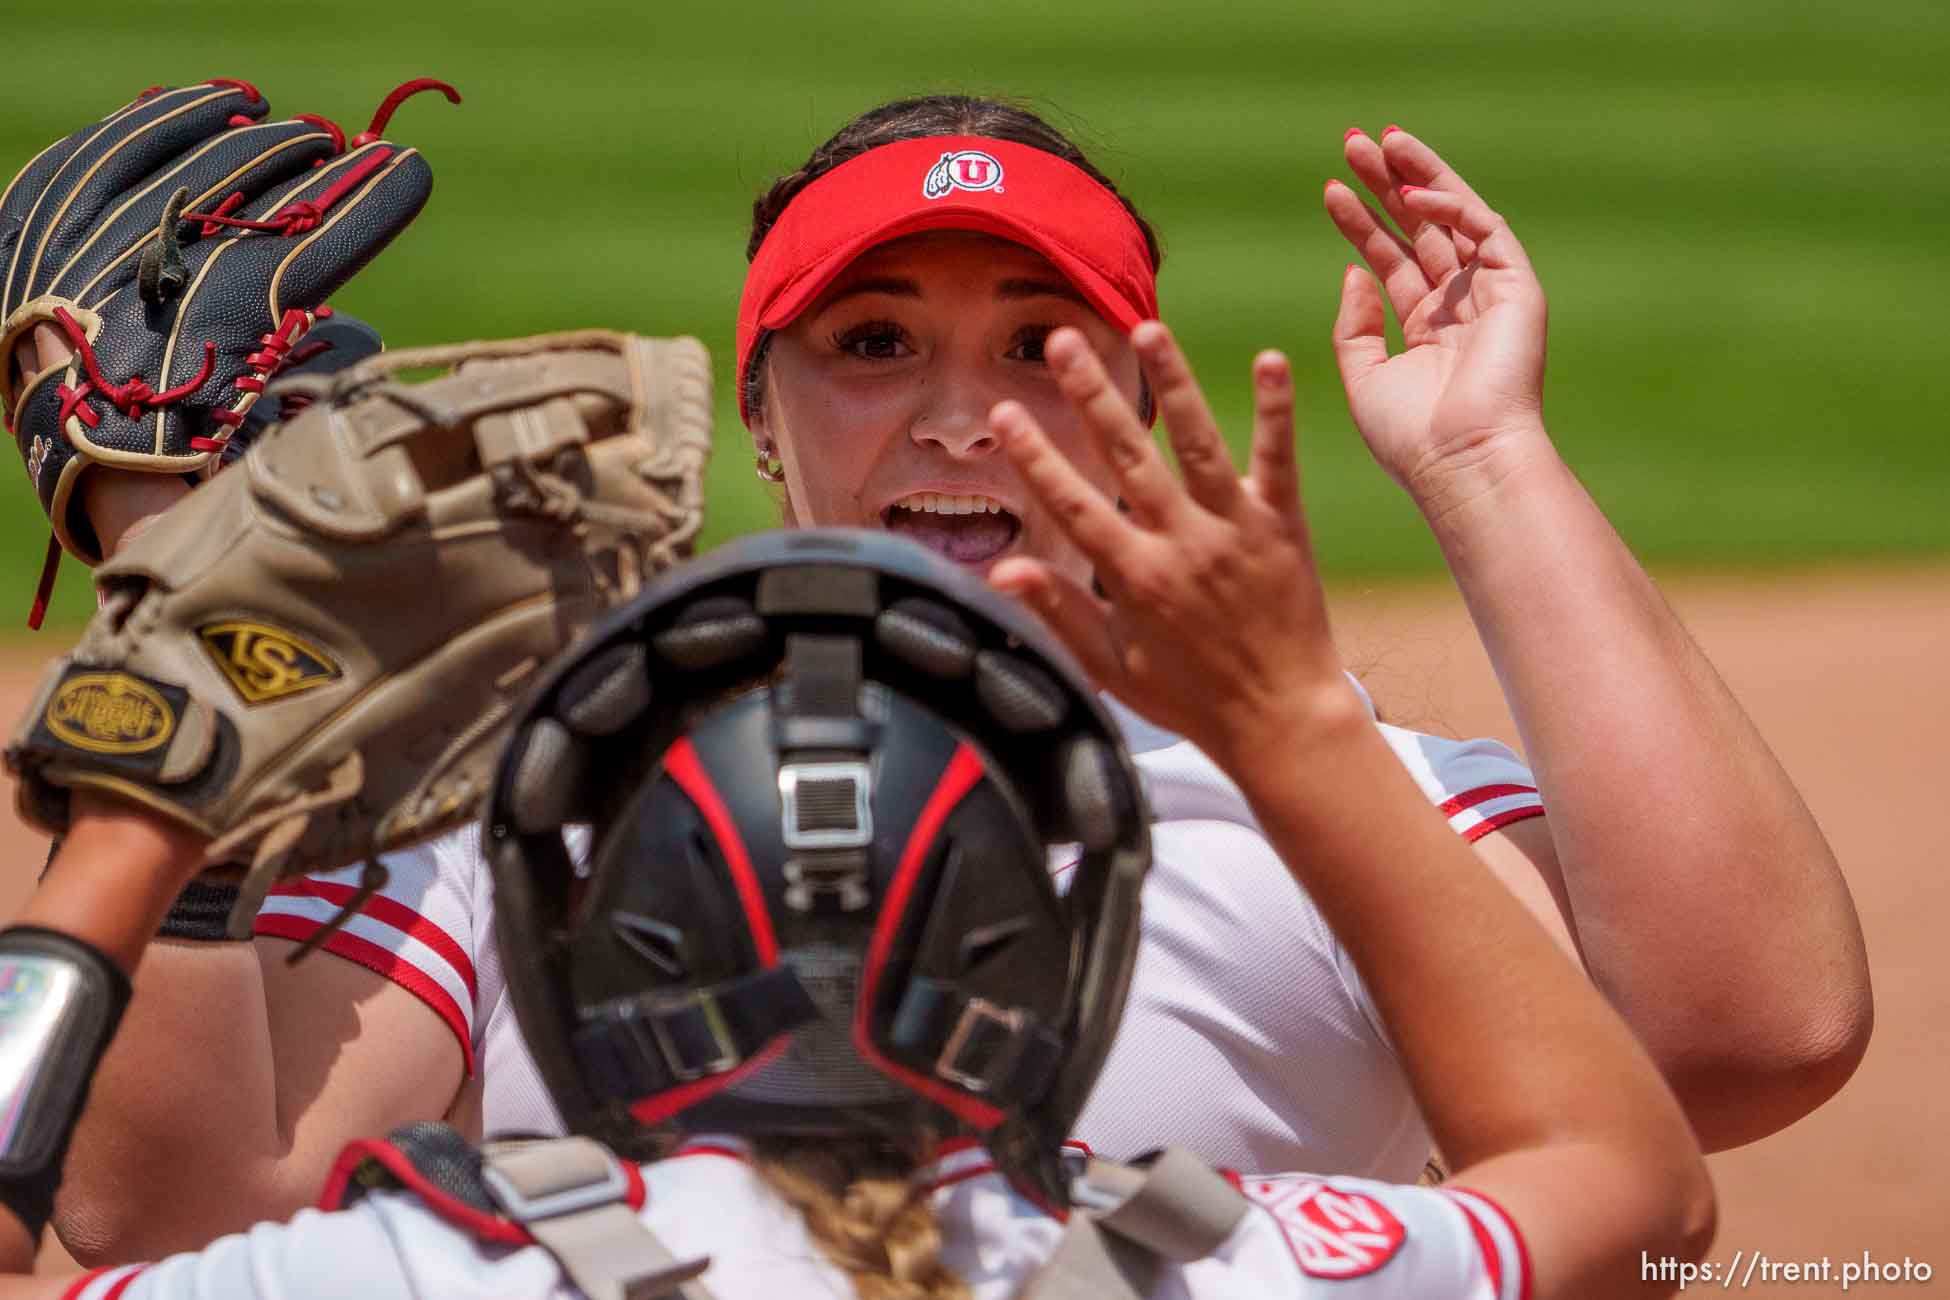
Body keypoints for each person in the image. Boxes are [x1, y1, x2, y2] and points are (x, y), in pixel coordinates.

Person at [21, 95, 1871, 1261]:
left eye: (1040, 336)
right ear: (758, 414)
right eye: (874, 340)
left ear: (1144, 394)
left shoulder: (1342, 800)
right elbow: (182, 1219)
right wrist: (191, 627)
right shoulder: (531, 795)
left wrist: (1483, 458)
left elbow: (1744, 1037)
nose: (962, 411)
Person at [1, 525, 1715, 1299]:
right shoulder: (1224, 1260)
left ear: (580, 953)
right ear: (1056, 965)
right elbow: (1627, 1187)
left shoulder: (422, 1271)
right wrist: (1288, 723)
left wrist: (153, 843)